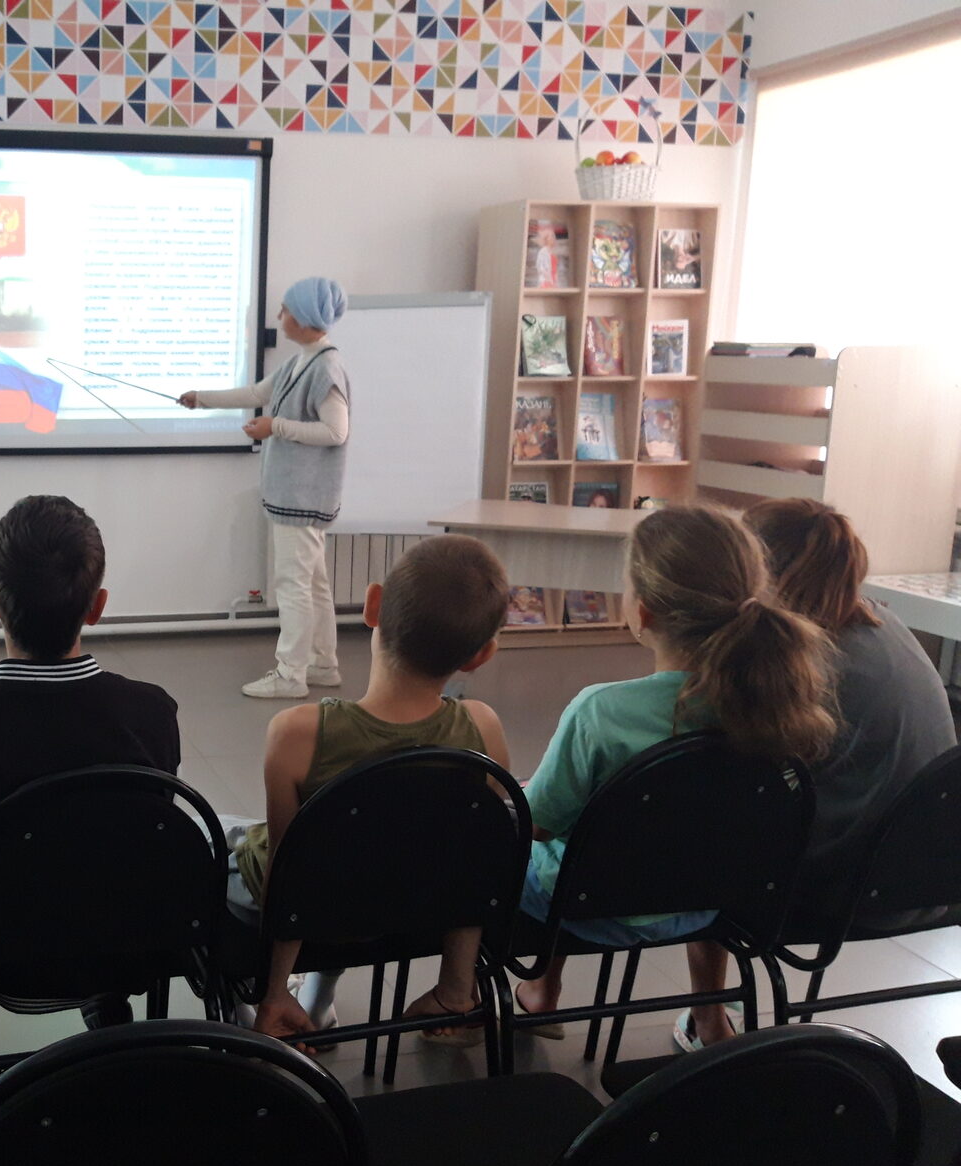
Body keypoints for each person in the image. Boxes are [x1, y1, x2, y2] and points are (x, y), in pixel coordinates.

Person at [432, 505, 837, 1053]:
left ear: (642, 611)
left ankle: (485, 992)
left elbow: (541, 825)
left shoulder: (601, 712)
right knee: (695, 833)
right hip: (711, 902)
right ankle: (709, 1016)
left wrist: (515, 796)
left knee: (524, 834)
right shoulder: (776, 707)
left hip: (588, 905)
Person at [0, 494, 180, 1049]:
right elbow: (147, 834)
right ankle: (104, 997)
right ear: (97, 606)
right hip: (119, 940)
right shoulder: (152, 711)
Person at [224, 536, 512, 1042]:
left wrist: (274, 991)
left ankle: (248, 998)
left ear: (373, 604)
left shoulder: (296, 734)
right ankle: (319, 997)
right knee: (356, 850)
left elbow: (288, 878)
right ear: (482, 654)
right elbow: (477, 861)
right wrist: (456, 984)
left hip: (322, 905)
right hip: (414, 902)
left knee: (223, 837)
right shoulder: (483, 730)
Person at [743, 498, 956, 927]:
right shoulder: (885, 622)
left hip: (851, 893)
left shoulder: (804, 659)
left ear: (758, 570)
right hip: (933, 877)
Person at [178, 276, 350, 699]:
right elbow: (257, 392)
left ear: (304, 317)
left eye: (286, 310)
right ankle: (322, 664)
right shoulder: (301, 362)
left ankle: (291, 674)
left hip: (302, 498)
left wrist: (276, 426)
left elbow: (336, 431)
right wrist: (201, 398)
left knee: (293, 586)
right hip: (296, 496)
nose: (279, 316)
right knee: (312, 584)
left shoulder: (325, 368)